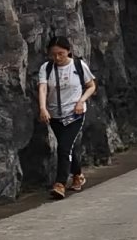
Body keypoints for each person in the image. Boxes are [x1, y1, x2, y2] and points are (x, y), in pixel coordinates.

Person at [36, 36, 97, 199]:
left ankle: (60, 184)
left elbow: (91, 86)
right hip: (55, 115)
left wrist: (81, 102)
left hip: (75, 114)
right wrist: (43, 108)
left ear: (68, 51)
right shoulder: (47, 68)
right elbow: (42, 89)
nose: (57, 58)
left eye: (61, 54)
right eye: (53, 54)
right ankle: (78, 175)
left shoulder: (78, 65)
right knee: (66, 147)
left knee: (63, 148)